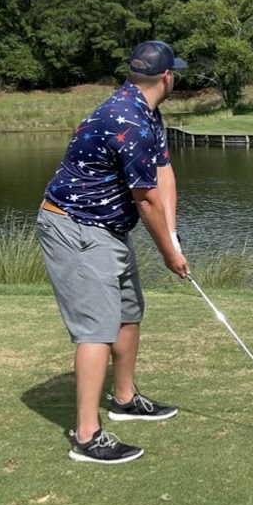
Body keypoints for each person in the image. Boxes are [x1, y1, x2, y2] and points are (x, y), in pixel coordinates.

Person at [37, 41, 190, 463]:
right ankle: (87, 436)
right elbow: (146, 200)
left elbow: (163, 173)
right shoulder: (130, 121)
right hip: (76, 227)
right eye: (175, 72)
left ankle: (124, 398)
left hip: (107, 228)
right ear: (167, 77)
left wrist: (172, 235)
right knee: (97, 330)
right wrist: (169, 255)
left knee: (128, 312)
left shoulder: (146, 111)